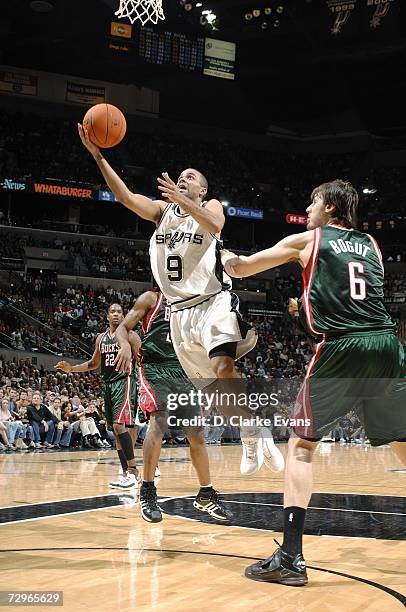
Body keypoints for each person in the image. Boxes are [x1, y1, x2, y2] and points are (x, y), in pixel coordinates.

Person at [221, 178, 406, 586]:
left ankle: (290, 557)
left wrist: (225, 254)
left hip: (344, 348)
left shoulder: (307, 241)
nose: (308, 209)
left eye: (313, 202)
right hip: (387, 345)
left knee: (301, 446)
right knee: (401, 442)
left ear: (331, 209)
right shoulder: (372, 246)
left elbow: (242, 268)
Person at [78, 124, 283, 477]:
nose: (183, 179)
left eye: (191, 178)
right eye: (181, 177)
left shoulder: (209, 206)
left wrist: (182, 198)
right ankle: (251, 431)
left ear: (201, 190)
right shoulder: (162, 211)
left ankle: (250, 420)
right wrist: (98, 155)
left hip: (213, 300)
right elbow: (126, 197)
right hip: (179, 313)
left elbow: (216, 224)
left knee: (222, 369)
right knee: (216, 392)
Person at [114, 289, 233, 523]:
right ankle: (147, 491)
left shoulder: (197, 301)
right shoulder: (151, 298)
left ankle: (206, 494)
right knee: (159, 420)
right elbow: (122, 328)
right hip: (155, 367)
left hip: (185, 370)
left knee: (197, 434)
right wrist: (125, 345)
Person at [55, 303, 141, 488]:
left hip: (125, 382)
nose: (116, 314)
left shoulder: (131, 336)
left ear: (124, 316)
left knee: (119, 426)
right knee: (116, 433)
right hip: (108, 385)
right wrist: (71, 369)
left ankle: (134, 471)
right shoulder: (101, 339)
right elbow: (94, 363)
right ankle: (126, 473)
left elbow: (144, 359)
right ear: (107, 316)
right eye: (113, 312)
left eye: (119, 312)